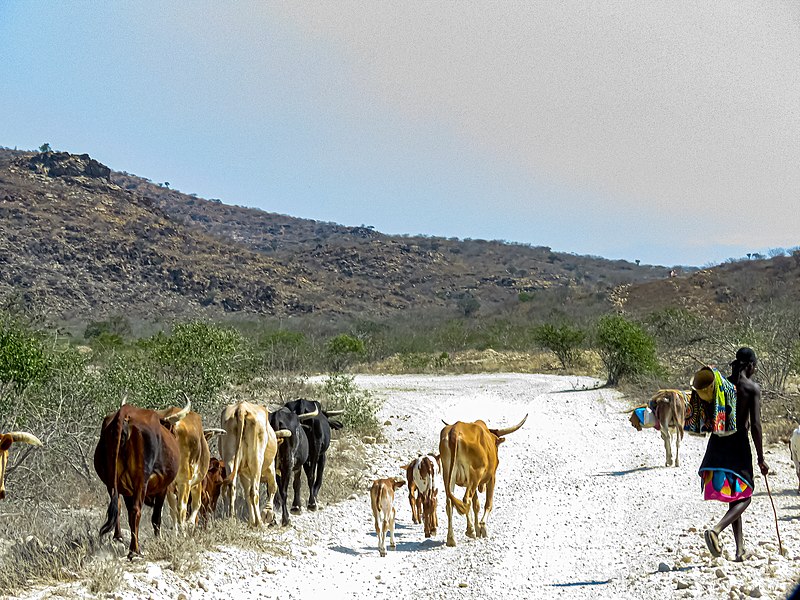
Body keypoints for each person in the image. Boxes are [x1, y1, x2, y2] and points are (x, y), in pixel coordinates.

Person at [699, 347, 768, 561]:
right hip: (738, 446)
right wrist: (761, 457)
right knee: (746, 496)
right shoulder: (751, 388)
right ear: (749, 365)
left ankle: (740, 550)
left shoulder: (724, 384)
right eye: (754, 366)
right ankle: (716, 530)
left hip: (717, 444)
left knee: (734, 496)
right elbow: (755, 426)